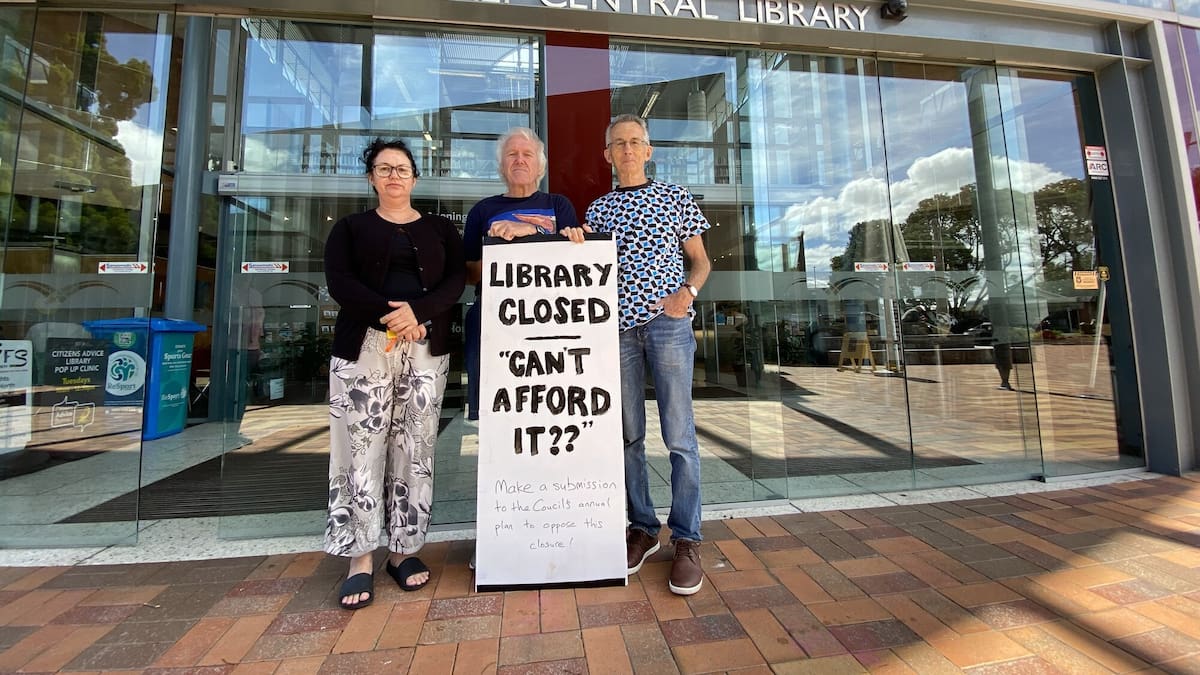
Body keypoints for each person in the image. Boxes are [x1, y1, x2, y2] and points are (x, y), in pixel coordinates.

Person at [562, 114, 712, 596]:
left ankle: (686, 538)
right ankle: (643, 528)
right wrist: (572, 241)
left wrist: (688, 292)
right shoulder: (600, 209)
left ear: (648, 151)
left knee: (679, 436)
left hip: (668, 326)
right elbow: (583, 266)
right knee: (628, 436)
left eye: (635, 142)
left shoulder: (675, 196)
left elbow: (701, 261)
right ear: (607, 155)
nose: (627, 149)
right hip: (618, 333)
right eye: (618, 143)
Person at [323, 137, 465, 610]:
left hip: (425, 345)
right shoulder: (349, 228)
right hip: (364, 346)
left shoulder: (441, 229)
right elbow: (341, 283)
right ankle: (359, 556)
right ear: (372, 178)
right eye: (384, 169)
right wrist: (393, 317)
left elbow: (455, 282)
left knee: (416, 446)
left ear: (414, 178)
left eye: (402, 169)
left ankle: (404, 550)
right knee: (359, 448)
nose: (394, 176)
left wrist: (417, 314)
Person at [463, 127, 579, 422]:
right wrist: (497, 248)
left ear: (540, 166)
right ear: (501, 166)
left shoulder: (558, 205)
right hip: (495, 316)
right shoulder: (482, 210)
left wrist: (531, 230)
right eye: (511, 154)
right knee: (497, 411)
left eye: (527, 154)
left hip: (550, 316)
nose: (519, 159)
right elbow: (469, 274)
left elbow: (573, 261)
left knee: (549, 405)